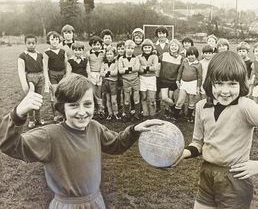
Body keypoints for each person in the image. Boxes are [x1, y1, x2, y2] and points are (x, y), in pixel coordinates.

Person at [0, 74, 163, 209]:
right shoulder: (49, 136)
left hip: (96, 202)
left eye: (87, 104)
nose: (82, 112)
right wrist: (17, 115)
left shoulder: (94, 127)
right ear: (62, 107)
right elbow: (10, 145)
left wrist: (134, 130)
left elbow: (116, 144)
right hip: (67, 205)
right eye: (73, 106)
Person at [174, 51, 258, 209]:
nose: (225, 91)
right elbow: (198, 142)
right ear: (210, 83)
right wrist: (184, 153)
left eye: (232, 84)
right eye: (219, 83)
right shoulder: (201, 106)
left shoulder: (245, 106)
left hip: (234, 178)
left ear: (241, 84)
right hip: (206, 174)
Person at [17, 34, 45, 128]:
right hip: (30, 77)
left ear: (36, 43)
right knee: (30, 99)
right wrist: (25, 84)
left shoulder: (40, 55)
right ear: (25, 43)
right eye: (29, 43)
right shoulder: (23, 56)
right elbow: (21, 71)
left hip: (40, 76)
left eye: (33, 43)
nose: (31, 45)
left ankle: (38, 118)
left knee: (38, 99)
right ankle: (31, 120)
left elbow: (43, 67)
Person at [43, 31, 68, 123]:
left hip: (62, 74)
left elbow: (66, 65)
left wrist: (66, 75)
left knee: (63, 94)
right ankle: (56, 116)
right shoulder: (47, 53)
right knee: (54, 95)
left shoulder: (63, 51)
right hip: (52, 75)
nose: (54, 41)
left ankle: (63, 114)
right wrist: (47, 80)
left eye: (56, 39)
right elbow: (45, 68)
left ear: (59, 40)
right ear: (49, 41)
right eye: (52, 39)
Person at [174, 46, 202, 122]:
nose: (190, 56)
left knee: (191, 101)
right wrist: (177, 80)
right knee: (180, 100)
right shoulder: (185, 61)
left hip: (193, 84)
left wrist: (198, 87)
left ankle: (189, 116)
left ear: (196, 55)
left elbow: (199, 77)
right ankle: (175, 116)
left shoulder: (198, 64)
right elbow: (180, 72)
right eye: (189, 55)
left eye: (192, 55)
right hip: (184, 83)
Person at [159, 39, 183, 119]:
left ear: (178, 48)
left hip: (173, 81)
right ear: (169, 47)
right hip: (164, 80)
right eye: (172, 45)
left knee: (170, 97)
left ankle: (168, 111)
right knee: (165, 98)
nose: (173, 47)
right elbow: (156, 60)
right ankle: (174, 108)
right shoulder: (164, 55)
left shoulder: (181, 58)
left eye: (175, 46)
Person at [118, 40, 141, 121]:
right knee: (127, 98)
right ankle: (126, 114)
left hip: (135, 80)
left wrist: (126, 69)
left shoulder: (136, 58)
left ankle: (136, 114)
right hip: (126, 80)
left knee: (136, 98)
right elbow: (120, 70)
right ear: (125, 48)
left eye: (132, 48)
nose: (130, 50)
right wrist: (131, 69)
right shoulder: (121, 58)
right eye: (128, 48)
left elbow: (137, 68)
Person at [86, 35, 105, 118]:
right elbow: (88, 65)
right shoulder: (88, 53)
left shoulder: (103, 53)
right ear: (91, 45)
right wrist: (89, 75)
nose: (96, 47)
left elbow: (103, 64)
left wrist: (101, 74)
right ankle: (93, 110)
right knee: (92, 93)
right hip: (92, 74)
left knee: (99, 93)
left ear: (101, 45)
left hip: (100, 74)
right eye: (94, 45)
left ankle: (101, 109)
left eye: (98, 45)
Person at [139, 39, 159, 118]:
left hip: (152, 79)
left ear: (152, 48)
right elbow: (139, 68)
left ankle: (152, 115)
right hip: (142, 79)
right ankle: (145, 114)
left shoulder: (154, 56)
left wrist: (145, 68)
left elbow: (155, 68)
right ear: (142, 48)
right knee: (143, 97)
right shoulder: (139, 57)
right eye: (145, 47)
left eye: (149, 47)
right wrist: (147, 68)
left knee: (151, 98)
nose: (147, 49)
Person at [100, 46, 120, 120]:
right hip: (106, 83)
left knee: (114, 100)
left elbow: (115, 72)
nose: (109, 56)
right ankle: (110, 113)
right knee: (108, 99)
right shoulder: (103, 63)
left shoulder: (116, 62)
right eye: (107, 54)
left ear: (114, 55)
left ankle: (116, 113)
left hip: (113, 83)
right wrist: (109, 74)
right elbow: (101, 73)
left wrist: (107, 73)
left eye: (111, 54)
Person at [154, 26, 169, 113]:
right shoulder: (154, 45)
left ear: (166, 34)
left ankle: (168, 107)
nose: (162, 35)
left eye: (163, 33)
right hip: (158, 70)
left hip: (168, 70)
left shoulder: (170, 44)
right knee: (157, 88)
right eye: (160, 33)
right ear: (157, 34)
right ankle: (158, 106)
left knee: (168, 89)